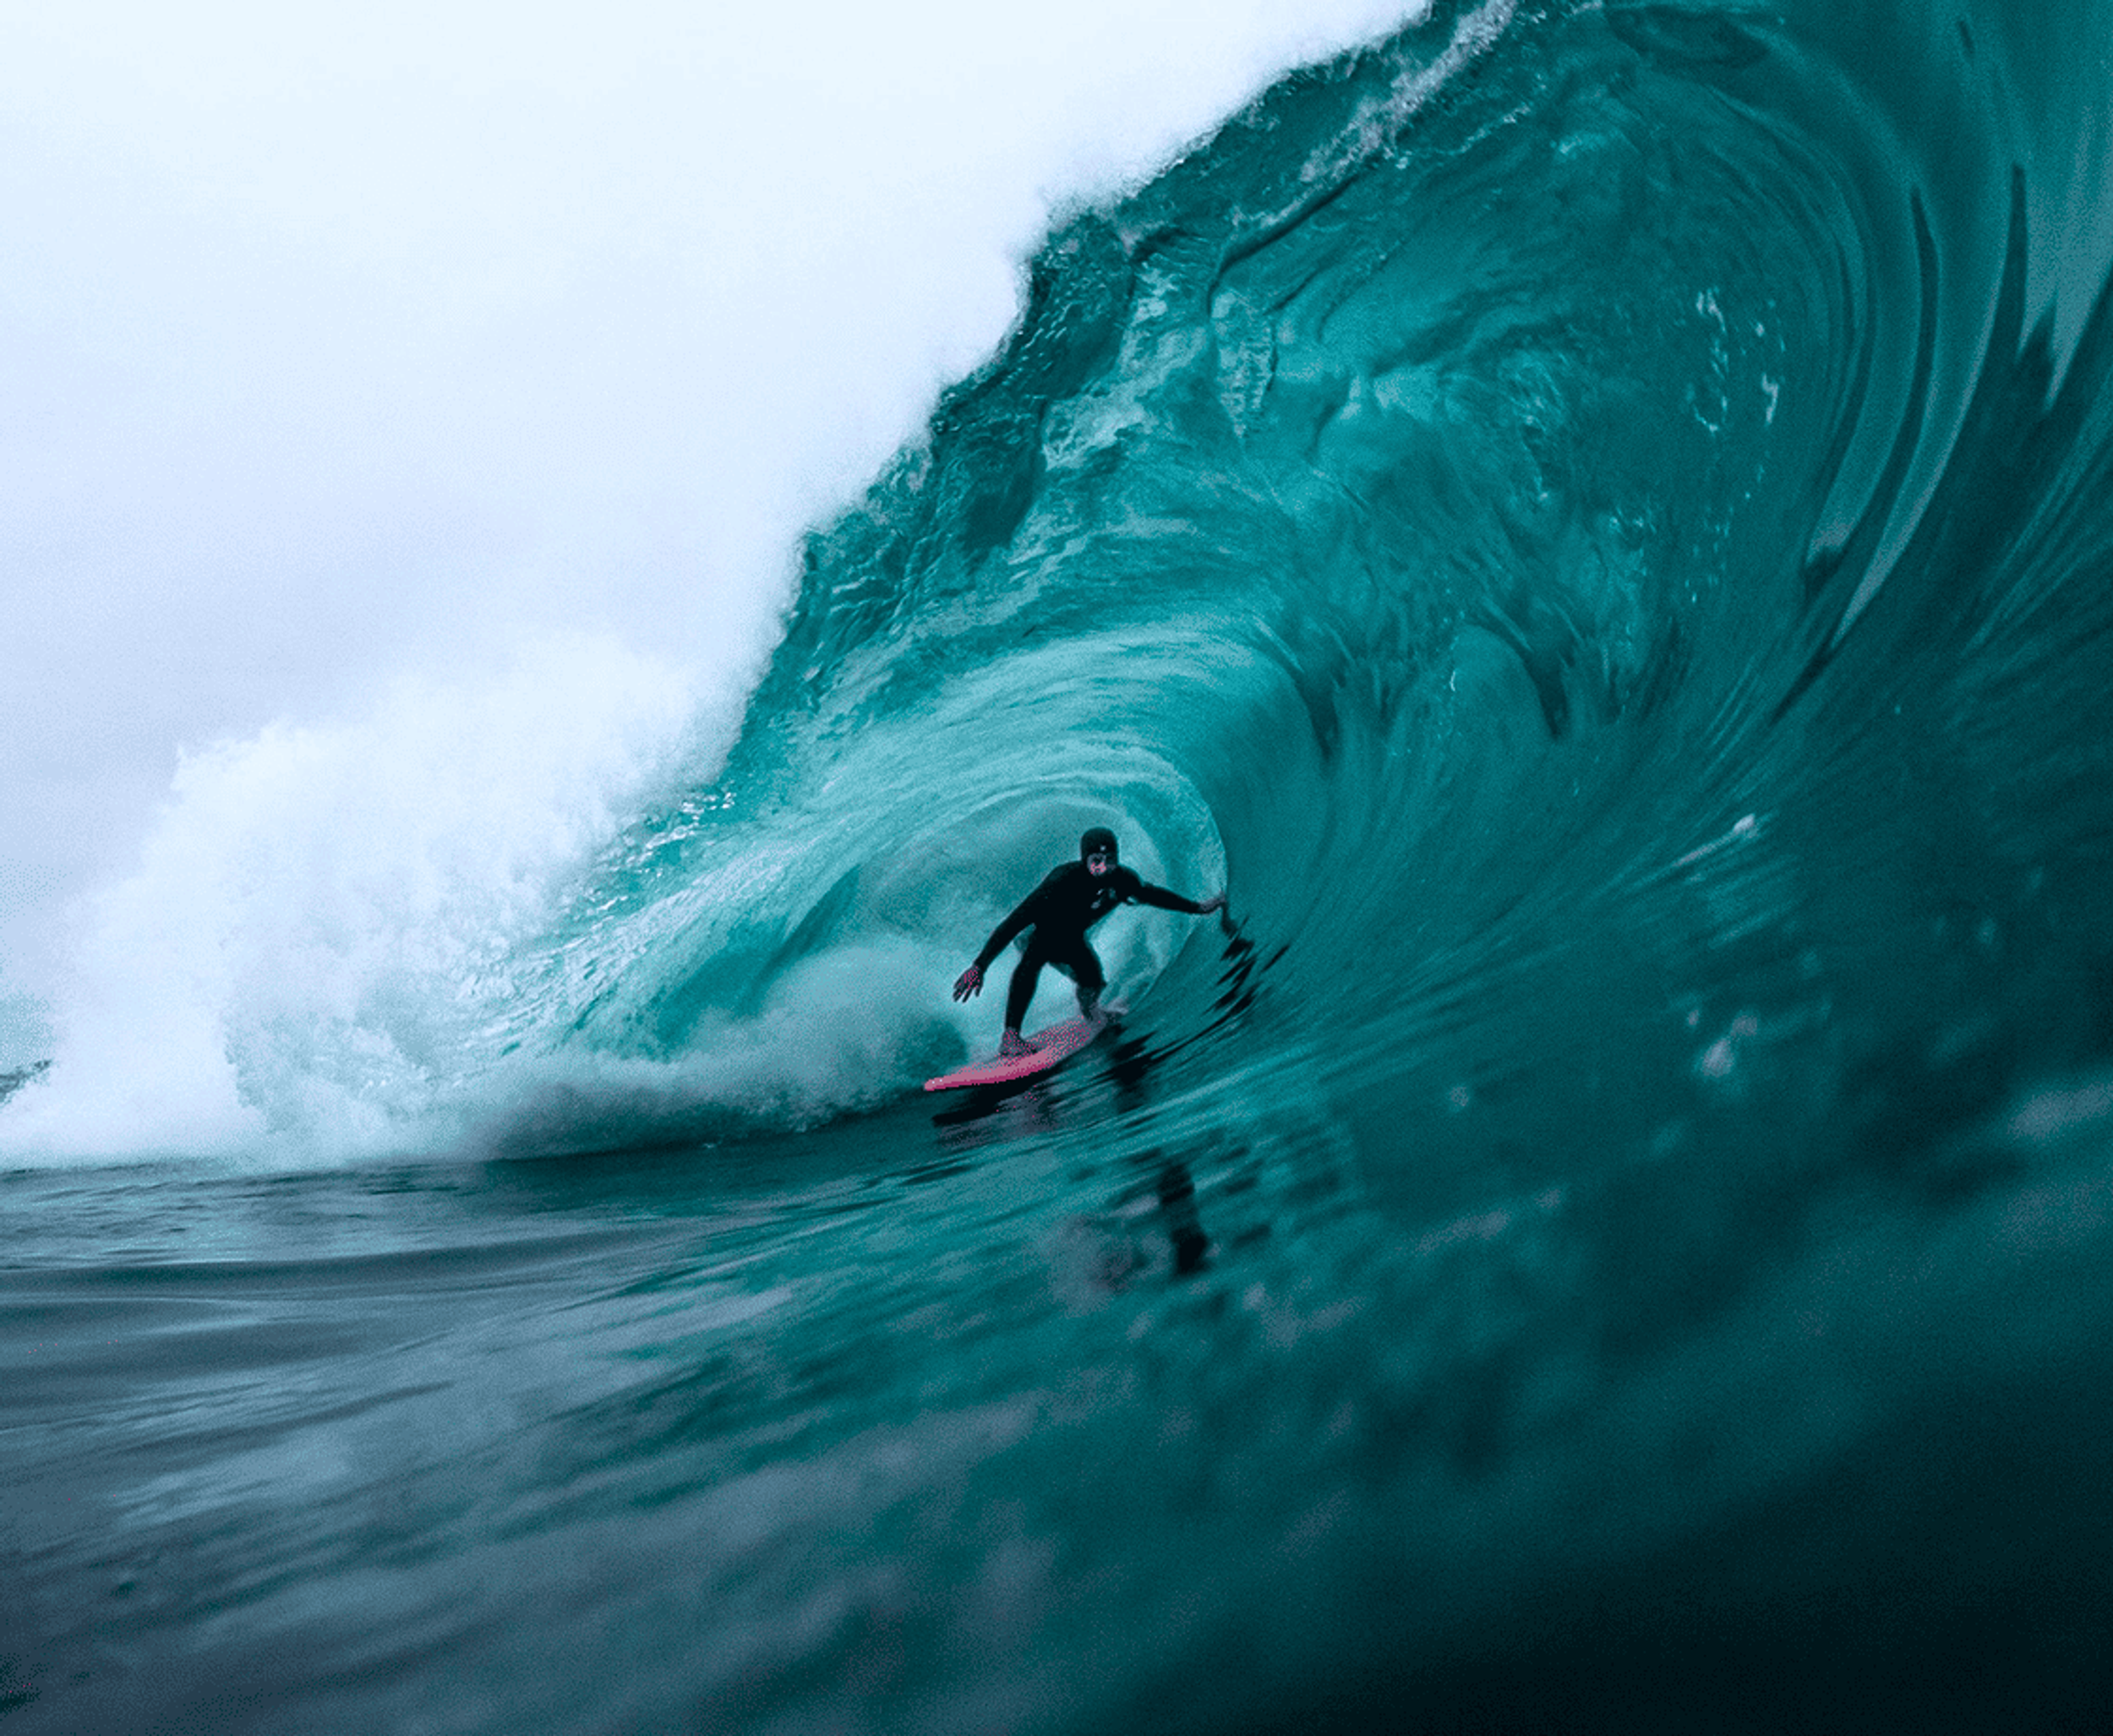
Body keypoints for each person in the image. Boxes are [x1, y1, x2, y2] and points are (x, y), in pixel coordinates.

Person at [953, 827, 1226, 1056]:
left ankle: (1091, 1011)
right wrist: (979, 967)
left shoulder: (1123, 880)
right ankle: (1010, 1037)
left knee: (1094, 979)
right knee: (1032, 962)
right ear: (1085, 859)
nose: (1103, 868)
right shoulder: (1061, 881)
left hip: (1072, 938)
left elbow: (1153, 895)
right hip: (1042, 932)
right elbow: (1014, 921)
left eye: (1110, 861)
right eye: (1096, 861)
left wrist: (1198, 907)